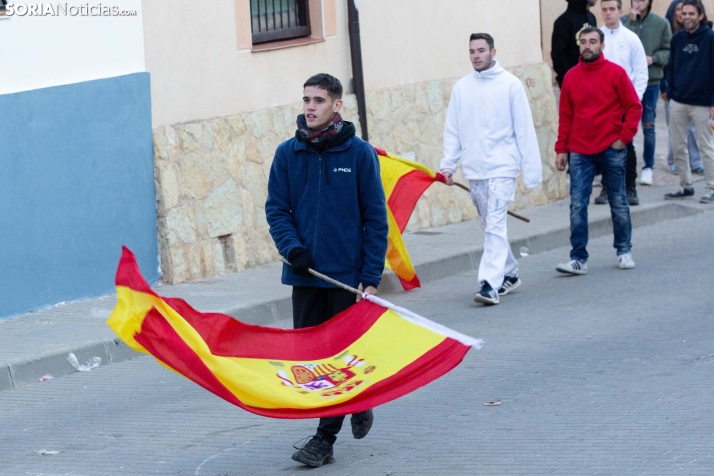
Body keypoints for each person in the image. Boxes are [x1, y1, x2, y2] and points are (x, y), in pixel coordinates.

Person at [265, 73, 389, 467]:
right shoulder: (288, 154)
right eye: (306, 100)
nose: (310, 107)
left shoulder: (359, 154)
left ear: (337, 105)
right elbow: (276, 210)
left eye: (318, 100)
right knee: (310, 359)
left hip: (346, 278)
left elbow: (375, 218)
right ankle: (357, 399)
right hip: (306, 276)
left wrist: (370, 277)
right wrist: (293, 248)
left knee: (336, 357)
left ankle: (324, 439)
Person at [440, 33, 542, 305]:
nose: (476, 55)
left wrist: (531, 172)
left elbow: (524, 129)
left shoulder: (511, 85)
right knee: (490, 226)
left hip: (503, 167)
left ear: (493, 52)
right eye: (472, 51)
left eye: (481, 50)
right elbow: (453, 131)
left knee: (495, 225)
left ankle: (489, 284)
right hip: (475, 169)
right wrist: (448, 166)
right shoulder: (462, 88)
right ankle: (509, 273)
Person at [555, 27, 643, 274]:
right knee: (577, 204)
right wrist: (562, 149)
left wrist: (623, 138)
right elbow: (565, 116)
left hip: (611, 148)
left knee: (618, 201)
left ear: (602, 46)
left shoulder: (616, 73)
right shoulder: (571, 76)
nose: (587, 46)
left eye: (593, 42)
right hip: (580, 150)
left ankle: (624, 250)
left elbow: (634, 107)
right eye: (583, 42)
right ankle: (578, 258)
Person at [595, 0, 649, 206]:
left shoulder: (631, 39)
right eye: (604, 10)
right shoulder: (596, 38)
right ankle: (607, 188)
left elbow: (641, 72)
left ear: (620, 11)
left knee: (627, 144)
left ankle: (630, 188)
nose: (608, 13)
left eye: (612, 9)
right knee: (603, 146)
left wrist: (635, 100)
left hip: (627, 102)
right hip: (602, 104)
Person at [664, 0, 714, 203]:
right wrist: (670, 89)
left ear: (700, 15)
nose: (686, 17)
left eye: (691, 13)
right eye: (683, 13)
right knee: (678, 145)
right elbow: (671, 66)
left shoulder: (710, 38)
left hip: (703, 103)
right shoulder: (677, 38)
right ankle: (686, 186)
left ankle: (711, 187)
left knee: (706, 147)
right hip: (678, 100)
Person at [619, 0, 673, 188]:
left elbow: (668, 51)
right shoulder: (623, 21)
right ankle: (624, 166)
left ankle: (648, 167)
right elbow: (619, 43)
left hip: (650, 82)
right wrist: (632, 22)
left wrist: (654, 58)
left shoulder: (661, 23)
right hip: (625, 83)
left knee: (648, 125)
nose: (637, 3)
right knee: (624, 125)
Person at [662, 0, 704, 175]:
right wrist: (666, 88)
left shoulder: (702, 35)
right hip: (674, 91)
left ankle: (695, 161)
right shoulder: (669, 34)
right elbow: (667, 65)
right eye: (679, 10)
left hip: (695, 92)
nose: (682, 14)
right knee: (675, 128)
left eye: (686, 11)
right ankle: (674, 161)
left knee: (694, 128)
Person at [552, 0, 598, 88]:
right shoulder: (563, 21)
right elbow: (558, 55)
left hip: (592, 80)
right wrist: (571, 78)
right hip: (573, 83)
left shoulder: (591, 17)